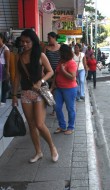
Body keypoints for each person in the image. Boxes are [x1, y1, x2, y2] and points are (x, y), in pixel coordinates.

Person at [11, 29, 58, 163]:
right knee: (31, 125)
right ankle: (38, 152)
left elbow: (50, 72)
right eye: (23, 41)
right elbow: (17, 78)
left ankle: (52, 147)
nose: (24, 44)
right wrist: (14, 95)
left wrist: (40, 81)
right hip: (25, 94)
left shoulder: (40, 55)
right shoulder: (19, 57)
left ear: (33, 41)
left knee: (39, 123)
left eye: (27, 41)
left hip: (38, 93)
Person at [51, 44, 77, 135]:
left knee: (70, 108)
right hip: (58, 88)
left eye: (60, 51)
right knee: (57, 107)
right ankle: (62, 126)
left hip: (69, 89)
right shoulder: (60, 61)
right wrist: (53, 86)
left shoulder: (71, 63)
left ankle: (70, 127)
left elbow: (72, 77)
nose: (59, 53)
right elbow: (56, 74)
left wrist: (63, 70)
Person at [44, 32, 61, 115]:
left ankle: (56, 109)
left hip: (59, 73)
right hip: (48, 73)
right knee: (49, 90)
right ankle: (52, 107)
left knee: (56, 91)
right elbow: (42, 61)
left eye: (49, 38)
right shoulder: (46, 48)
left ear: (54, 38)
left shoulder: (60, 47)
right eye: (48, 38)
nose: (48, 40)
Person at [0, 33, 10, 106]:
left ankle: (3, 100)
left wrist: (7, 71)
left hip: (3, 67)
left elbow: (7, 62)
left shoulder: (5, 49)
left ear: (2, 39)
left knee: (4, 84)